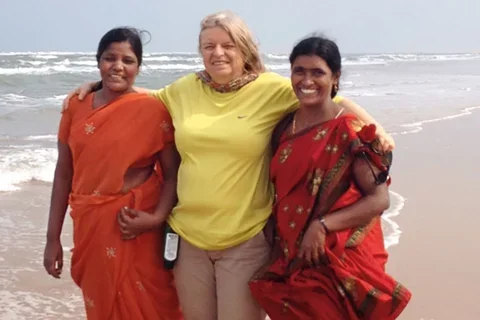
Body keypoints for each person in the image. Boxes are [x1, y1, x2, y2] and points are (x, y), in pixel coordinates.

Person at [62, 11, 396, 320]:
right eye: (209, 46)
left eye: (227, 45)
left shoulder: (270, 89)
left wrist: (375, 127)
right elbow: (137, 99)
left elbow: (329, 99)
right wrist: (94, 86)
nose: (217, 53)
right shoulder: (185, 89)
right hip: (188, 238)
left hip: (246, 240)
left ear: (245, 49)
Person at [248, 35, 411, 320]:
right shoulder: (284, 127)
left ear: (335, 78)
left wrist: (322, 226)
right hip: (291, 254)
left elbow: (379, 198)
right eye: (299, 71)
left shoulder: (349, 131)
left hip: (335, 256)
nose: (306, 80)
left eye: (317, 72)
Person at [43, 27, 183, 320]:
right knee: (102, 304)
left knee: (153, 305)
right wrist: (52, 238)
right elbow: (63, 173)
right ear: (98, 62)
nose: (118, 66)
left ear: (138, 67)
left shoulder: (153, 109)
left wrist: (156, 217)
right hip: (90, 225)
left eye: (128, 60)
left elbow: (173, 174)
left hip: (135, 225)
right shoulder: (75, 106)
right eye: (110, 58)